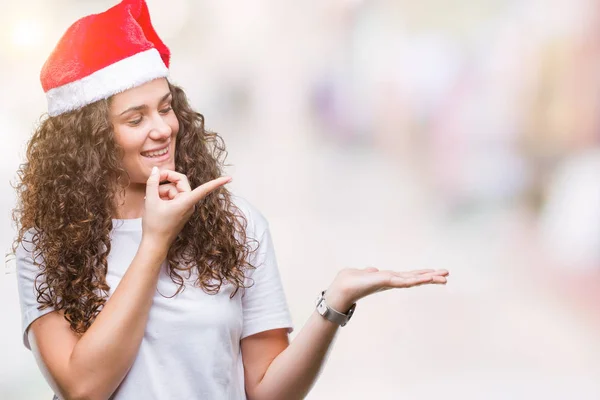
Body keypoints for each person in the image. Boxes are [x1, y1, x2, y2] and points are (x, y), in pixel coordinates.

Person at [13, 1, 450, 399]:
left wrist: (334, 303)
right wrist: (154, 242)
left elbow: (266, 391)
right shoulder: (46, 246)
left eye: (165, 108)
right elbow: (83, 388)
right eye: (135, 118)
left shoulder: (237, 225)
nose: (162, 128)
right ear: (89, 141)